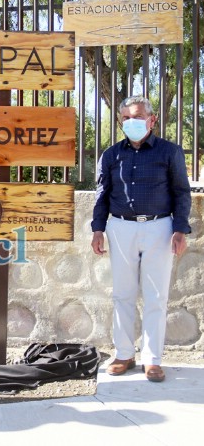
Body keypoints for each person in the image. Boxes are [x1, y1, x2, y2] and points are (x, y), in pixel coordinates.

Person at [91, 95, 191, 383]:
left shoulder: (169, 152)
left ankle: (152, 359)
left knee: (155, 296)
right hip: (121, 228)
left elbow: (181, 192)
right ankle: (124, 353)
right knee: (122, 293)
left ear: (152, 119)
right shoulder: (111, 155)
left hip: (160, 228)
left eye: (137, 116)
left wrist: (180, 229)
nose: (131, 122)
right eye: (126, 118)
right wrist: (98, 229)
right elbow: (102, 194)